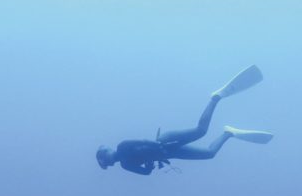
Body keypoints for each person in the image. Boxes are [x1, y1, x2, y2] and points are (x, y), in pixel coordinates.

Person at [95, 65, 273, 175]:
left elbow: (142, 141)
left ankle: (216, 97)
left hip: (165, 141)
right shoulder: (126, 165)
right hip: (169, 153)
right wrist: (151, 163)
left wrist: (157, 147)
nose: (109, 164)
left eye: (104, 162)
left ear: (105, 155)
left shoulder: (122, 146)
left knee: (200, 131)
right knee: (209, 154)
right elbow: (146, 173)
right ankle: (228, 133)